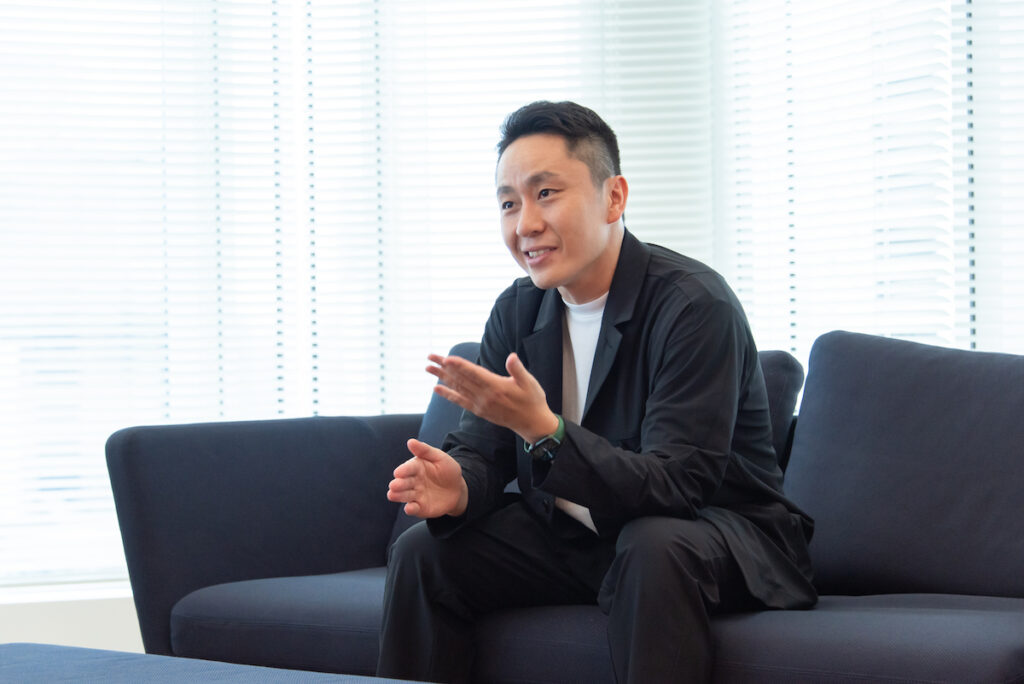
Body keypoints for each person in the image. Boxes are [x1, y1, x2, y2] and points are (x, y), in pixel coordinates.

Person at [377, 100, 816, 684]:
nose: (525, 224)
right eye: (509, 203)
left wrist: (544, 431)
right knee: (423, 552)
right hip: (585, 540)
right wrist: (457, 485)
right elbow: (483, 451)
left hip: (718, 533)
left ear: (614, 198)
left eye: (546, 193)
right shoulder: (517, 310)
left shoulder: (694, 305)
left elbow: (677, 486)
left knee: (653, 545)